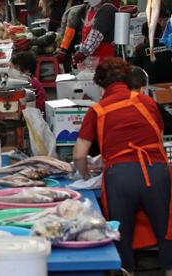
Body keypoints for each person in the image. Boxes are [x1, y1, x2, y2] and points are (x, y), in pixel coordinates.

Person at [73, 58, 172, 275]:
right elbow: (159, 140)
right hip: (156, 171)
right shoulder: (147, 102)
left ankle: (127, 270)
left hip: (120, 176)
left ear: (101, 85)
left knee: (122, 234)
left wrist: (84, 172)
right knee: (167, 231)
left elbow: (80, 154)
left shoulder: (97, 110)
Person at [71, 0, 117, 67]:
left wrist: (82, 54)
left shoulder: (107, 10)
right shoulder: (89, 8)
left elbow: (96, 34)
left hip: (105, 64)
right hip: (90, 63)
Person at [133, 17, 172, 84]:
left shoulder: (141, 49)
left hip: (152, 84)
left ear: (144, 35)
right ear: (161, 32)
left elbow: (136, 69)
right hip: (169, 82)